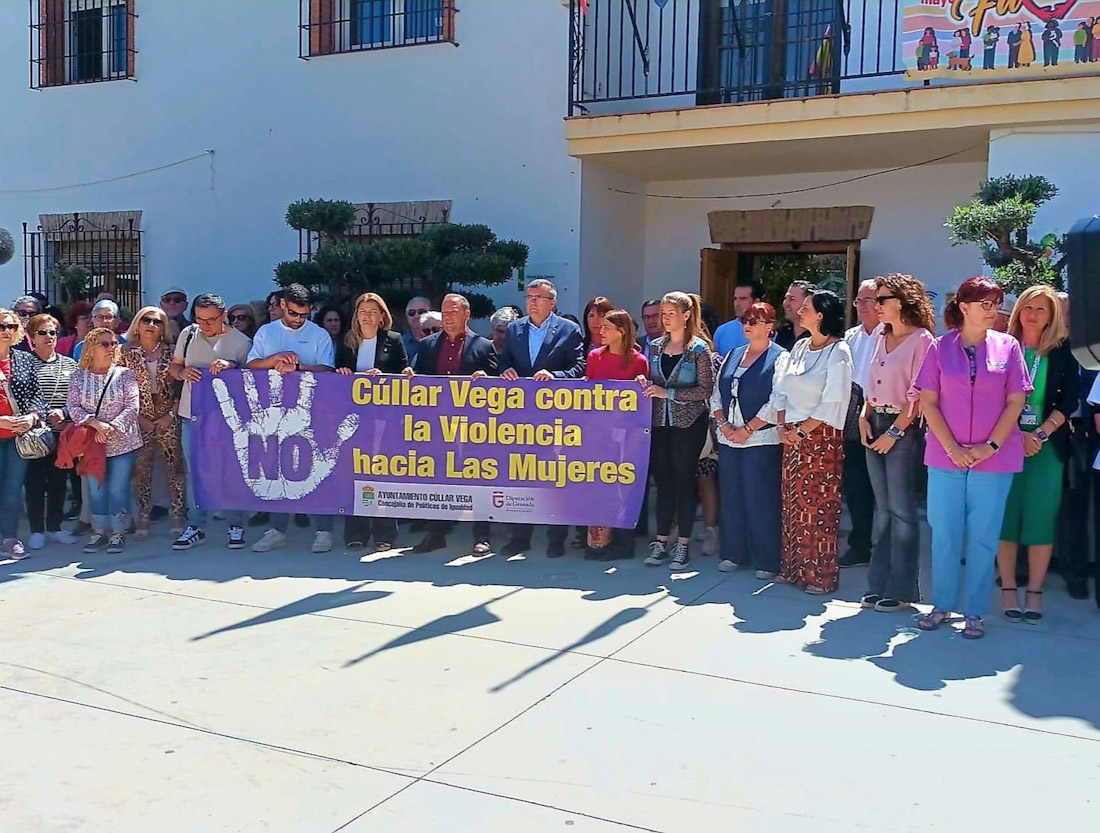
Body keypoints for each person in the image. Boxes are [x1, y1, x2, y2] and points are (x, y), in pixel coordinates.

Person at [914, 277, 1030, 640]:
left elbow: (1016, 401)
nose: (993, 310)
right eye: (985, 304)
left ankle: (975, 612)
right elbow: (928, 402)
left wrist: (989, 446)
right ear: (964, 307)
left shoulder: (1009, 346)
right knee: (944, 535)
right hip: (945, 456)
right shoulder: (939, 347)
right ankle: (942, 604)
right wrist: (952, 448)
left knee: (983, 537)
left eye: (996, 303)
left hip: (995, 457)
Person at [996, 286, 1078, 623]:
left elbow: (1069, 399)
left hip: (1045, 448)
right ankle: (1008, 588)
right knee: (1005, 516)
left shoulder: (1062, 351)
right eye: (1027, 307)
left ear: (1052, 316)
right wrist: (1018, 436)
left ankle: (1035, 591)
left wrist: (1040, 434)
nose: (1032, 314)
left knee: (1041, 517)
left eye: (1041, 309)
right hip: (1004, 445)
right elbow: (991, 399)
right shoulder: (1001, 347)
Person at [858, 274, 936, 612]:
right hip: (874, 420)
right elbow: (871, 383)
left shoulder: (922, 340)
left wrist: (894, 433)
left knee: (902, 510)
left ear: (902, 302)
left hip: (903, 427)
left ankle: (902, 589)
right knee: (884, 509)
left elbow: (918, 394)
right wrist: (863, 416)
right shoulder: (880, 334)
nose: (876, 305)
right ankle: (878, 585)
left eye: (882, 299)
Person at [497, 279, 586, 558]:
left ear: (553, 302)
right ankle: (519, 536)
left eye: (539, 297)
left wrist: (555, 376)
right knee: (520, 475)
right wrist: (506, 370)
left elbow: (579, 367)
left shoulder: (569, 330)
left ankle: (556, 537)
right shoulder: (515, 329)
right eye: (529, 297)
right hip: (521, 417)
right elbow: (503, 361)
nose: (533, 301)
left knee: (554, 476)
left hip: (555, 416)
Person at [246, 283, 336, 553]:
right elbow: (251, 364)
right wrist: (274, 360)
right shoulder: (266, 332)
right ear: (283, 305)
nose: (299, 319)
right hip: (274, 411)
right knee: (275, 469)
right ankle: (277, 529)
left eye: (304, 315)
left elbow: (327, 369)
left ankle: (324, 530)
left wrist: (297, 368)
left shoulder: (319, 334)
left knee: (317, 468)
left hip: (313, 411)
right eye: (294, 313)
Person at [773, 290, 853, 594]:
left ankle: (819, 576)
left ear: (821, 315)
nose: (799, 311)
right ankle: (793, 568)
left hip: (820, 437)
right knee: (792, 505)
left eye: (805, 307)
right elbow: (782, 388)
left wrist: (803, 431)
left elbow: (834, 399)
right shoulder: (800, 346)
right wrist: (782, 425)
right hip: (792, 434)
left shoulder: (838, 351)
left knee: (818, 508)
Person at [406, 293, 497, 555]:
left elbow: (499, 384)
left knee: (478, 477)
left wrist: (487, 378)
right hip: (437, 425)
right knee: (437, 477)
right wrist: (411, 376)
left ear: (467, 314)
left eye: (453, 312)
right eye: (444, 313)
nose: (447, 318)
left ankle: (481, 535)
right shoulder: (428, 345)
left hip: (474, 427)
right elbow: (420, 382)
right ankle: (436, 533)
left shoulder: (483, 346)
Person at [169, 293, 253, 550]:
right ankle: (196, 524)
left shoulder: (241, 342)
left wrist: (231, 366)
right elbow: (174, 367)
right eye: (199, 319)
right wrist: (183, 372)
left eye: (210, 320)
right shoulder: (188, 334)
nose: (204, 325)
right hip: (192, 416)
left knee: (230, 469)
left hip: (228, 419)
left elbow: (252, 380)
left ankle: (234, 523)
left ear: (223, 316)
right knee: (195, 471)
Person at [640, 291, 716, 571]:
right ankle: (661, 541)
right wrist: (644, 382)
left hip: (689, 423)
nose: (665, 319)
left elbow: (705, 390)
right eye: (663, 314)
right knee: (663, 481)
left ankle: (683, 543)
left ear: (686, 315)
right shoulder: (655, 347)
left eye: (671, 313)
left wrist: (668, 393)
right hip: (660, 423)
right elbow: (652, 379)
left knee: (684, 481)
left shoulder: (698, 349)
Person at [711, 301, 788, 578]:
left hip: (761, 439)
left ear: (770, 326)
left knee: (760, 497)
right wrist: (723, 424)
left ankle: (766, 559)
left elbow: (777, 400)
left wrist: (748, 429)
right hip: (729, 437)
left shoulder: (780, 357)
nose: (748, 325)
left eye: (755, 321)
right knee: (732, 495)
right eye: (745, 320)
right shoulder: (733, 354)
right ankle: (734, 553)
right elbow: (717, 394)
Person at [336, 292, 409, 551]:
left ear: (381, 317)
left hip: (384, 419)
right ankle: (355, 532)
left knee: (382, 473)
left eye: (372, 312)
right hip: (354, 418)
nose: (367, 316)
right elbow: (335, 375)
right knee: (354, 473)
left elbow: (404, 373)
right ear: (356, 316)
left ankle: (384, 533)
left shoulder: (394, 340)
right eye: (362, 311)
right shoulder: (346, 341)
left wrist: (386, 375)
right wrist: (342, 372)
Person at [68, 327, 141, 555]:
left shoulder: (125, 374)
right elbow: (73, 406)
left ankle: (118, 532)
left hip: (122, 442)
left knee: (118, 489)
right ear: (91, 348)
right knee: (96, 489)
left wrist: (111, 427)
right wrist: (95, 424)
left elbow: (132, 406)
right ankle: (99, 532)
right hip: (92, 443)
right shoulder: (78, 376)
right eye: (105, 344)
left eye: (113, 344)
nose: (111, 348)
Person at [585, 308, 649, 561]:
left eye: (607, 328)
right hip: (599, 432)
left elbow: (640, 400)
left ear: (621, 332)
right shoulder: (594, 356)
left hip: (627, 433)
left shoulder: (638, 361)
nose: (601, 331)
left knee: (624, 486)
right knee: (599, 485)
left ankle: (623, 543)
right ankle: (598, 541)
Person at [119, 307, 186, 541]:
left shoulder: (172, 352)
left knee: (175, 468)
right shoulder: (124, 353)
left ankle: (177, 514)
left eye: (157, 322)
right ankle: (143, 516)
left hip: (169, 416)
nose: (151, 325)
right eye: (146, 320)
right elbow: (119, 389)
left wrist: (171, 414)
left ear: (163, 327)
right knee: (141, 470)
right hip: (139, 417)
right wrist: (139, 417)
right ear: (137, 324)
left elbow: (181, 387)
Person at [23, 313, 78, 549]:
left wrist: (63, 413)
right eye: (43, 332)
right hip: (34, 434)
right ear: (31, 337)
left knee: (59, 481)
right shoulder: (24, 363)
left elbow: (78, 398)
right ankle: (36, 530)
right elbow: (21, 397)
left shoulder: (70, 364)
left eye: (53, 332)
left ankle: (54, 527)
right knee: (34, 482)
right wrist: (40, 415)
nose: (49, 337)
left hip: (61, 432)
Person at [838, 280, 880, 569]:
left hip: (883, 413)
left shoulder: (889, 334)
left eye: (869, 300)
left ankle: (887, 547)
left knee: (885, 489)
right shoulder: (851, 337)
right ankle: (860, 545)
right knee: (856, 485)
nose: (862, 306)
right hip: (852, 413)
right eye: (858, 300)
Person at [0, 309, 47, 559]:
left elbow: (36, 395)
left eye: (11, 326)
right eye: (1, 327)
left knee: (12, 490)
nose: (6, 331)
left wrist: (32, 417)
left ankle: (10, 538)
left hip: (18, 438)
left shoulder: (24, 359)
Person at [712, 280, 761, 356]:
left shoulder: (766, 331)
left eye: (743, 299)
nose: (737, 304)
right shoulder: (722, 331)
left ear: (756, 302)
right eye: (735, 298)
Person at [775, 280, 814, 350]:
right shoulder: (782, 333)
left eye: (792, 299)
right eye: (785, 298)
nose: (785, 304)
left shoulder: (818, 336)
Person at [403, 295, 431, 364]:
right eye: (411, 313)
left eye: (421, 312)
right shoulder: (401, 343)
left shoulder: (440, 340)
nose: (416, 316)